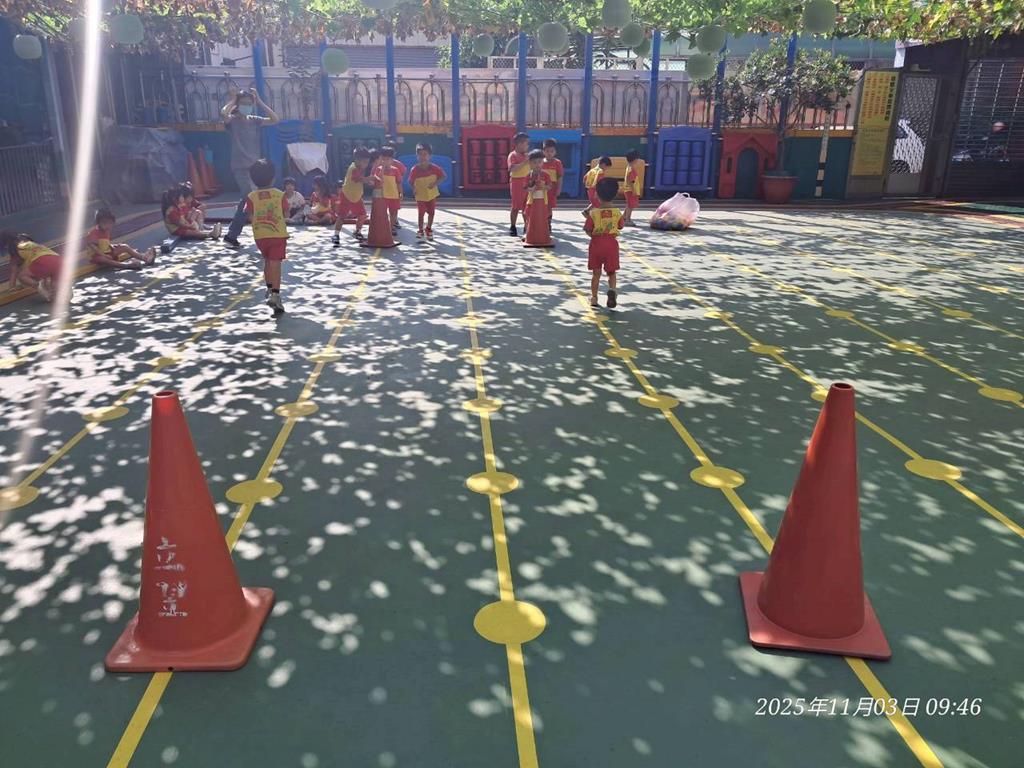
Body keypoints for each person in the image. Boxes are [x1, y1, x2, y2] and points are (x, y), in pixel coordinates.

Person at [221, 88, 280, 248]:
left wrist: (259, 101)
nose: (247, 106)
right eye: (243, 103)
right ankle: (236, 235)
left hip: (255, 167)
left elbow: (275, 119)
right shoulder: (233, 120)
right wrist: (234, 100)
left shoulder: (255, 120)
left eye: (249, 103)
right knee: (250, 198)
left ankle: (232, 235)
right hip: (240, 167)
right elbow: (223, 113)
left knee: (249, 200)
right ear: (238, 104)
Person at [243, 159, 290, 316]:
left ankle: (269, 287)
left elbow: (249, 216)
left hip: (260, 236)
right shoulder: (279, 195)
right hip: (277, 234)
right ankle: (275, 295)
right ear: (273, 177)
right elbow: (286, 213)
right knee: (275, 263)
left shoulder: (251, 196)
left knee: (268, 261)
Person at [583, 177, 624, 309]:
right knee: (611, 272)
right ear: (615, 194)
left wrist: (594, 236)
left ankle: (594, 298)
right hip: (611, 245)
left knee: (596, 273)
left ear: (597, 194)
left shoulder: (593, 213)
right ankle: (612, 290)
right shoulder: (617, 212)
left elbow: (587, 229)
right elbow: (620, 226)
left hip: (596, 244)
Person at [0, 230, 67, 301]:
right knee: (54, 284)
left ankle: (41, 286)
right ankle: (57, 293)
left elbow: (14, 271)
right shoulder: (30, 243)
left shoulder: (15, 249)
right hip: (58, 259)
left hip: (43, 261)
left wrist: (12, 287)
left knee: (22, 276)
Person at [86, 208, 156, 270]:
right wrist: (104, 255)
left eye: (110, 223)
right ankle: (127, 265)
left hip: (108, 252)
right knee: (103, 259)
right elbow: (94, 247)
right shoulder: (94, 233)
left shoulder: (106, 230)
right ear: (98, 223)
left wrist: (112, 247)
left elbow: (105, 244)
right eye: (104, 223)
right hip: (97, 255)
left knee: (124, 246)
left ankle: (145, 258)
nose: (107, 226)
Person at [408, 143, 446, 240]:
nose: (423, 157)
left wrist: (435, 184)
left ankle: (428, 228)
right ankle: (420, 230)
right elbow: (410, 181)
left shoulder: (435, 168)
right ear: (417, 156)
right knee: (421, 213)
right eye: (420, 154)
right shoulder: (414, 169)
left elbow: (443, 177)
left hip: (431, 195)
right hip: (420, 195)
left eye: (425, 154)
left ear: (430, 156)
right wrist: (414, 188)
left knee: (431, 213)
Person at [333, 147, 370, 244]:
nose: (366, 164)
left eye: (367, 162)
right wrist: (369, 179)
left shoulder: (359, 168)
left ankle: (357, 231)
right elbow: (358, 179)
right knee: (342, 216)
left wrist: (367, 180)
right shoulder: (353, 168)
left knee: (362, 214)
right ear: (357, 160)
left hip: (356, 196)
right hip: (347, 196)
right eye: (365, 162)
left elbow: (361, 179)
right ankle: (336, 234)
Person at [523, 149, 554, 245]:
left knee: (543, 218)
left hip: (542, 201)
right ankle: (528, 234)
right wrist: (532, 188)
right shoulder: (529, 175)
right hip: (532, 200)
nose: (537, 164)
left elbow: (549, 186)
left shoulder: (546, 175)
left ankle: (544, 236)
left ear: (542, 162)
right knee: (529, 216)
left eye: (539, 162)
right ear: (530, 163)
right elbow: (525, 187)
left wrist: (543, 186)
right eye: (534, 162)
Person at [373, 146, 403, 235]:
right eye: (383, 159)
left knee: (393, 212)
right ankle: (383, 227)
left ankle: (391, 227)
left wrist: (401, 193)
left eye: (388, 159)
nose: (385, 161)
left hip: (394, 195)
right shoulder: (378, 169)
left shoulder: (395, 170)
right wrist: (382, 169)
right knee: (382, 213)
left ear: (392, 160)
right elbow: (379, 180)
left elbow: (398, 182)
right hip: (382, 196)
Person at [507, 132, 531, 236]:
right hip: (517, 183)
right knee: (516, 206)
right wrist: (524, 162)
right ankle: (513, 226)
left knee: (527, 206)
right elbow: (512, 168)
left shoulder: (527, 156)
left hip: (527, 182)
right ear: (519, 144)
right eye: (526, 143)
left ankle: (527, 226)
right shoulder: (513, 155)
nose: (527, 146)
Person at [541, 138, 563, 224]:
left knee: (549, 206)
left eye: (551, 151)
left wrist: (559, 189)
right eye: (547, 151)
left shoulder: (557, 163)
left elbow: (560, 177)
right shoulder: (540, 162)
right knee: (541, 205)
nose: (549, 153)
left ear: (555, 152)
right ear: (543, 152)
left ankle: (548, 223)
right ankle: (541, 222)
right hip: (541, 188)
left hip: (552, 188)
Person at [623, 149, 643, 227]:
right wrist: (633, 190)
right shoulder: (631, 169)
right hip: (630, 191)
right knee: (630, 206)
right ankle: (627, 220)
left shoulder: (629, 167)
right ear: (634, 159)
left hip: (629, 190)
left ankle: (624, 217)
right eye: (637, 158)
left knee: (629, 204)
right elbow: (630, 181)